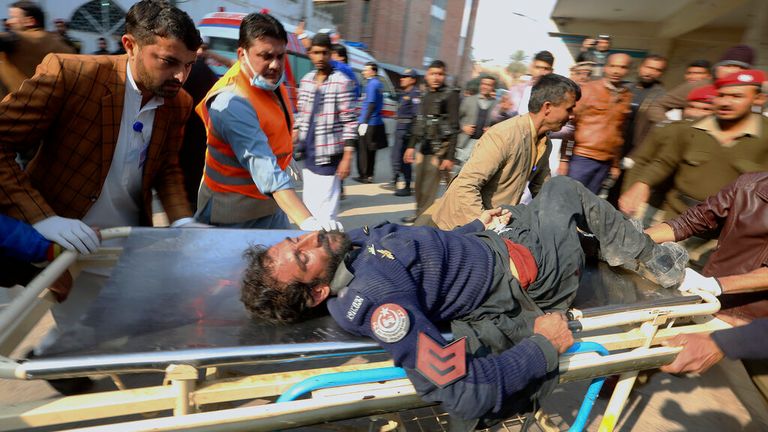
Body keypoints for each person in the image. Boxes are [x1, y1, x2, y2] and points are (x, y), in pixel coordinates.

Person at [240, 176, 688, 427]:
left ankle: (610, 243)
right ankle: (655, 260)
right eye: (302, 255)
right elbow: (463, 393)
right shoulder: (380, 302)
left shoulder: (345, 250)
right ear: (318, 291)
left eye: (294, 239)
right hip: (535, 275)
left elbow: (417, 247)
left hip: (498, 241)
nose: (310, 236)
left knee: (547, 203)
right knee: (562, 191)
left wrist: (476, 227)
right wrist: (543, 346)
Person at [195, 14, 340, 231]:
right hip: (231, 213)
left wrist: (286, 157)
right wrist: (310, 223)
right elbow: (266, 172)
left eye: (281, 56)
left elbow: (274, 127)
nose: (275, 64)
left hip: (270, 205)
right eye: (266, 56)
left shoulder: (268, 82)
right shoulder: (231, 101)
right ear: (242, 54)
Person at [646, 172, 768, 422]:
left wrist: (716, 284)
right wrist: (633, 240)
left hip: (759, 321)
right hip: (711, 301)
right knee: (643, 350)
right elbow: (691, 221)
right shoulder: (748, 185)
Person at [417, 74, 580, 230]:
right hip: (458, 227)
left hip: (492, 227)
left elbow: (543, 190)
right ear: (547, 107)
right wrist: (485, 223)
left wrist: (565, 218)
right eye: (569, 109)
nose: (572, 116)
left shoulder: (544, 143)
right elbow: (464, 187)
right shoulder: (504, 135)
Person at [619, 70, 768, 220]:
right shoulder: (690, 129)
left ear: (759, 99)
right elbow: (663, 162)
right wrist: (641, 184)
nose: (725, 102)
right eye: (721, 95)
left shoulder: (764, 136)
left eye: (737, 96)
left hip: (730, 227)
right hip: (676, 217)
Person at [292, 33, 357, 225]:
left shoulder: (342, 82)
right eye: (316, 53)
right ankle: (313, 244)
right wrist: (294, 135)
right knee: (309, 207)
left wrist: (347, 157)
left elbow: (350, 122)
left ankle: (328, 248)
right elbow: (301, 114)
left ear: (330, 54)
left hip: (329, 155)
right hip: (308, 154)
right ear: (309, 54)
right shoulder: (306, 81)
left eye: (324, 53)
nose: (320, 57)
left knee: (326, 213)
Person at [563, 53, 632, 194]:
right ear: (605, 68)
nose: (616, 71)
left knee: (589, 204)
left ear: (628, 70)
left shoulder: (626, 96)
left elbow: (619, 133)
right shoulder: (588, 90)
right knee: (568, 200)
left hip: (605, 163)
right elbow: (570, 127)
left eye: (622, 67)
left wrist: (615, 164)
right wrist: (565, 159)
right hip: (581, 158)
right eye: (613, 66)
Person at [401, 60, 459, 224]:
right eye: (433, 73)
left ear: (444, 75)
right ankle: (420, 215)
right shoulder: (425, 95)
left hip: (439, 150)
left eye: (440, 74)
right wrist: (411, 146)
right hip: (423, 148)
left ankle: (421, 225)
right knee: (418, 188)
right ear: (427, 75)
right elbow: (419, 122)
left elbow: (455, 127)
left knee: (428, 191)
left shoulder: (451, 95)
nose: (436, 77)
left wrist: (449, 157)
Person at [646, 45, 753, 124]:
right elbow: (657, 106)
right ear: (718, 67)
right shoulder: (696, 86)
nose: (734, 71)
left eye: (742, 68)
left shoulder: (751, 93)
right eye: (729, 65)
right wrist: (668, 127)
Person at [0, 1, 75, 100]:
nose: (8, 22)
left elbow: (7, 39)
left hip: (17, 108)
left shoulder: (19, 39)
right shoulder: (65, 47)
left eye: (13, 17)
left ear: (30, 21)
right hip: (51, 106)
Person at [354, 61, 386, 183]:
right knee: (371, 150)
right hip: (376, 122)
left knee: (363, 150)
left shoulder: (371, 84)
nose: (363, 72)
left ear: (373, 71)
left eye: (366, 69)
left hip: (368, 122)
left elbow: (371, 104)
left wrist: (364, 123)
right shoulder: (379, 84)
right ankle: (370, 175)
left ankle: (364, 175)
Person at [391, 68, 421, 196]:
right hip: (400, 128)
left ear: (413, 80)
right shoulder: (404, 93)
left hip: (406, 131)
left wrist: (411, 133)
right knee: (396, 156)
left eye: (405, 76)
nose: (402, 78)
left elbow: (416, 116)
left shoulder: (415, 94)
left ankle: (407, 185)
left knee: (404, 159)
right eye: (402, 76)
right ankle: (396, 179)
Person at [455, 74, 497, 164]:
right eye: (483, 84)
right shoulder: (469, 100)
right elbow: (455, 118)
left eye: (488, 85)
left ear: (493, 87)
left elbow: (501, 125)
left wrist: (492, 129)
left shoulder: (496, 104)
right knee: (456, 171)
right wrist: (463, 127)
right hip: (464, 144)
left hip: (483, 146)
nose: (485, 87)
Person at [505, 51, 554, 116]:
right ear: (531, 68)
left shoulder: (555, 94)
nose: (541, 72)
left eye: (546, 69)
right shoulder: (516, 90)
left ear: (551, 71)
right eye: (538, 67)